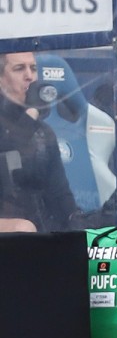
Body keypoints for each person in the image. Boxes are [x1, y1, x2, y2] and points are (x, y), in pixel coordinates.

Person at [0, 52, 78, 232]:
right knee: (23, 228)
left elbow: (59, 192)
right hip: (11, 226)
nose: (29, 76)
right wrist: (32, 111)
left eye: (33, 69)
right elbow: (9, 150)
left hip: (38, 226)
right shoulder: (25, 125)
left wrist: (76, 223)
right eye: (19, 69)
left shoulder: (42, 132)